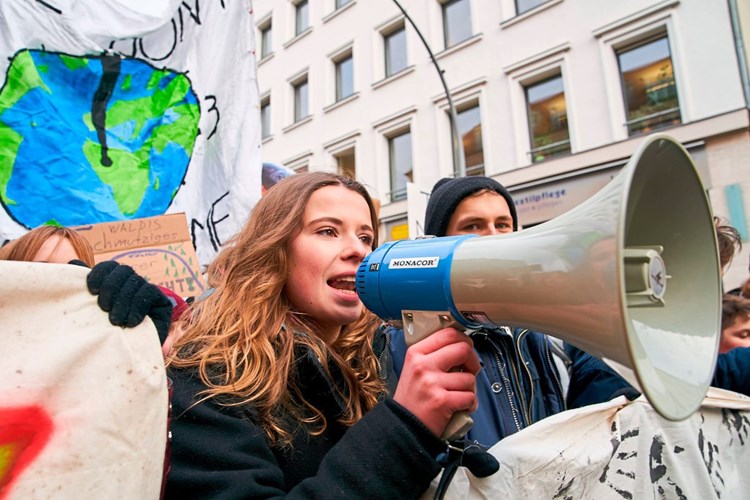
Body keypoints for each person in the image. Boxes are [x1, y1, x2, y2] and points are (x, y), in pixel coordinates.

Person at [164, 172, 491, 499]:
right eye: (328, 231)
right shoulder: (206, 377)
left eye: (365, 238)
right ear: (274, 249)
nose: (358, 251)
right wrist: (404, 432)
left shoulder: (373, 361)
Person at [389, 176, 636, 447]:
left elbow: (603, 398)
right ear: (438, 244)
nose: (494, 237)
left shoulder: (549, 331)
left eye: (503, 225)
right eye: (473, 226)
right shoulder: (409, 344)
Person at [0, 225, 175, 343]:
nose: (59, 282)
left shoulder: (98, 346)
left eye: (74, 273)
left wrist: (143, 338)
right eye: (44, 270)